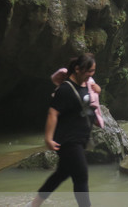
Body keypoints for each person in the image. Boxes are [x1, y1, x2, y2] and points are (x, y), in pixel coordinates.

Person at [29, 54, 98, 207]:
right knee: (81, 175)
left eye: (93, 71)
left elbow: (90, 102)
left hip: (80, 140)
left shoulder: (86, 85)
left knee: (61, 174)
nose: (91, 75)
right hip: (68, 140)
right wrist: (48, 138)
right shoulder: (65, 89)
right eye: (89, 71)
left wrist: (97, 90)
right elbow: (53, 113)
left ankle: (34, 204)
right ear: (78, 69)